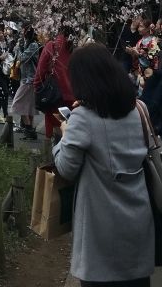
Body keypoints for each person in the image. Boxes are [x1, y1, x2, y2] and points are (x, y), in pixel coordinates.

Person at [53, 43, 155, 287]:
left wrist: (64, 135)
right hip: (139, 220)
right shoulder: (139, 109)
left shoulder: (83, 118)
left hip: (101, 231)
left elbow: (66, 168)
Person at [34, 23, 75, 139]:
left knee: (55, 130)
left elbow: (40, 73)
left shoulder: (52, 46)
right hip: (75, 98)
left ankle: (54, 154)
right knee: (72, 128)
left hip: (55, 96)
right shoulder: (77, 47)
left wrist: (37, 88)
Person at [10, 22, 40, 139]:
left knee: (18, 103)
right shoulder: (27, 43)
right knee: (29, 106)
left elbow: (22, 58)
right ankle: (30, 131)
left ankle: (28, 128)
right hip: (26, 78)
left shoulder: (33, 45)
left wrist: (18, 48)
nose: (22, 33)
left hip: (29, 79)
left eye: (23, 31)